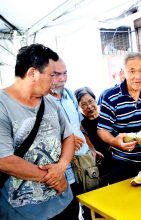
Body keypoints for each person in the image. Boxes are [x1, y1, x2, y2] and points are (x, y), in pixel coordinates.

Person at [0, 44, 75, 219]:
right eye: (51, 75)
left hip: (63, 202)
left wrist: (62, 166)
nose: (55, 81)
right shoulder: (3, 106)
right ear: (32, 73)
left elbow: (69, 136)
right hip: (22, 213)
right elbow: (5, 161)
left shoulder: (49, 102)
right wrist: (55, 178)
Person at [97, 52, 141, 184]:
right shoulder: (111, 97)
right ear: (123, 72)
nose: (137, 77)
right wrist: (114, 141)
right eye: (132, 71)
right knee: (126, 203)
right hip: (123, 162)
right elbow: (102, 130)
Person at [50, 58, 99, 219]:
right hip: (64, 168)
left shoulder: (69, 94)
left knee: (92, 204)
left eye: (65, 73)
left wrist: (91, 148)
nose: (62, 78)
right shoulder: (42, 99)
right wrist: (68, 139)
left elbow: (79, 126)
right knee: (69, 210)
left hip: (84, 162)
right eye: (57, 74)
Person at [74, 87, 111, 186]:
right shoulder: (80, 124)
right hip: (97, 165)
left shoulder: (105, 114)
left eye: (91, 101)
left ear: (95, 100)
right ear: (78, 107)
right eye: (84, 105)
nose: (89, 106)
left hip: (115, 160)